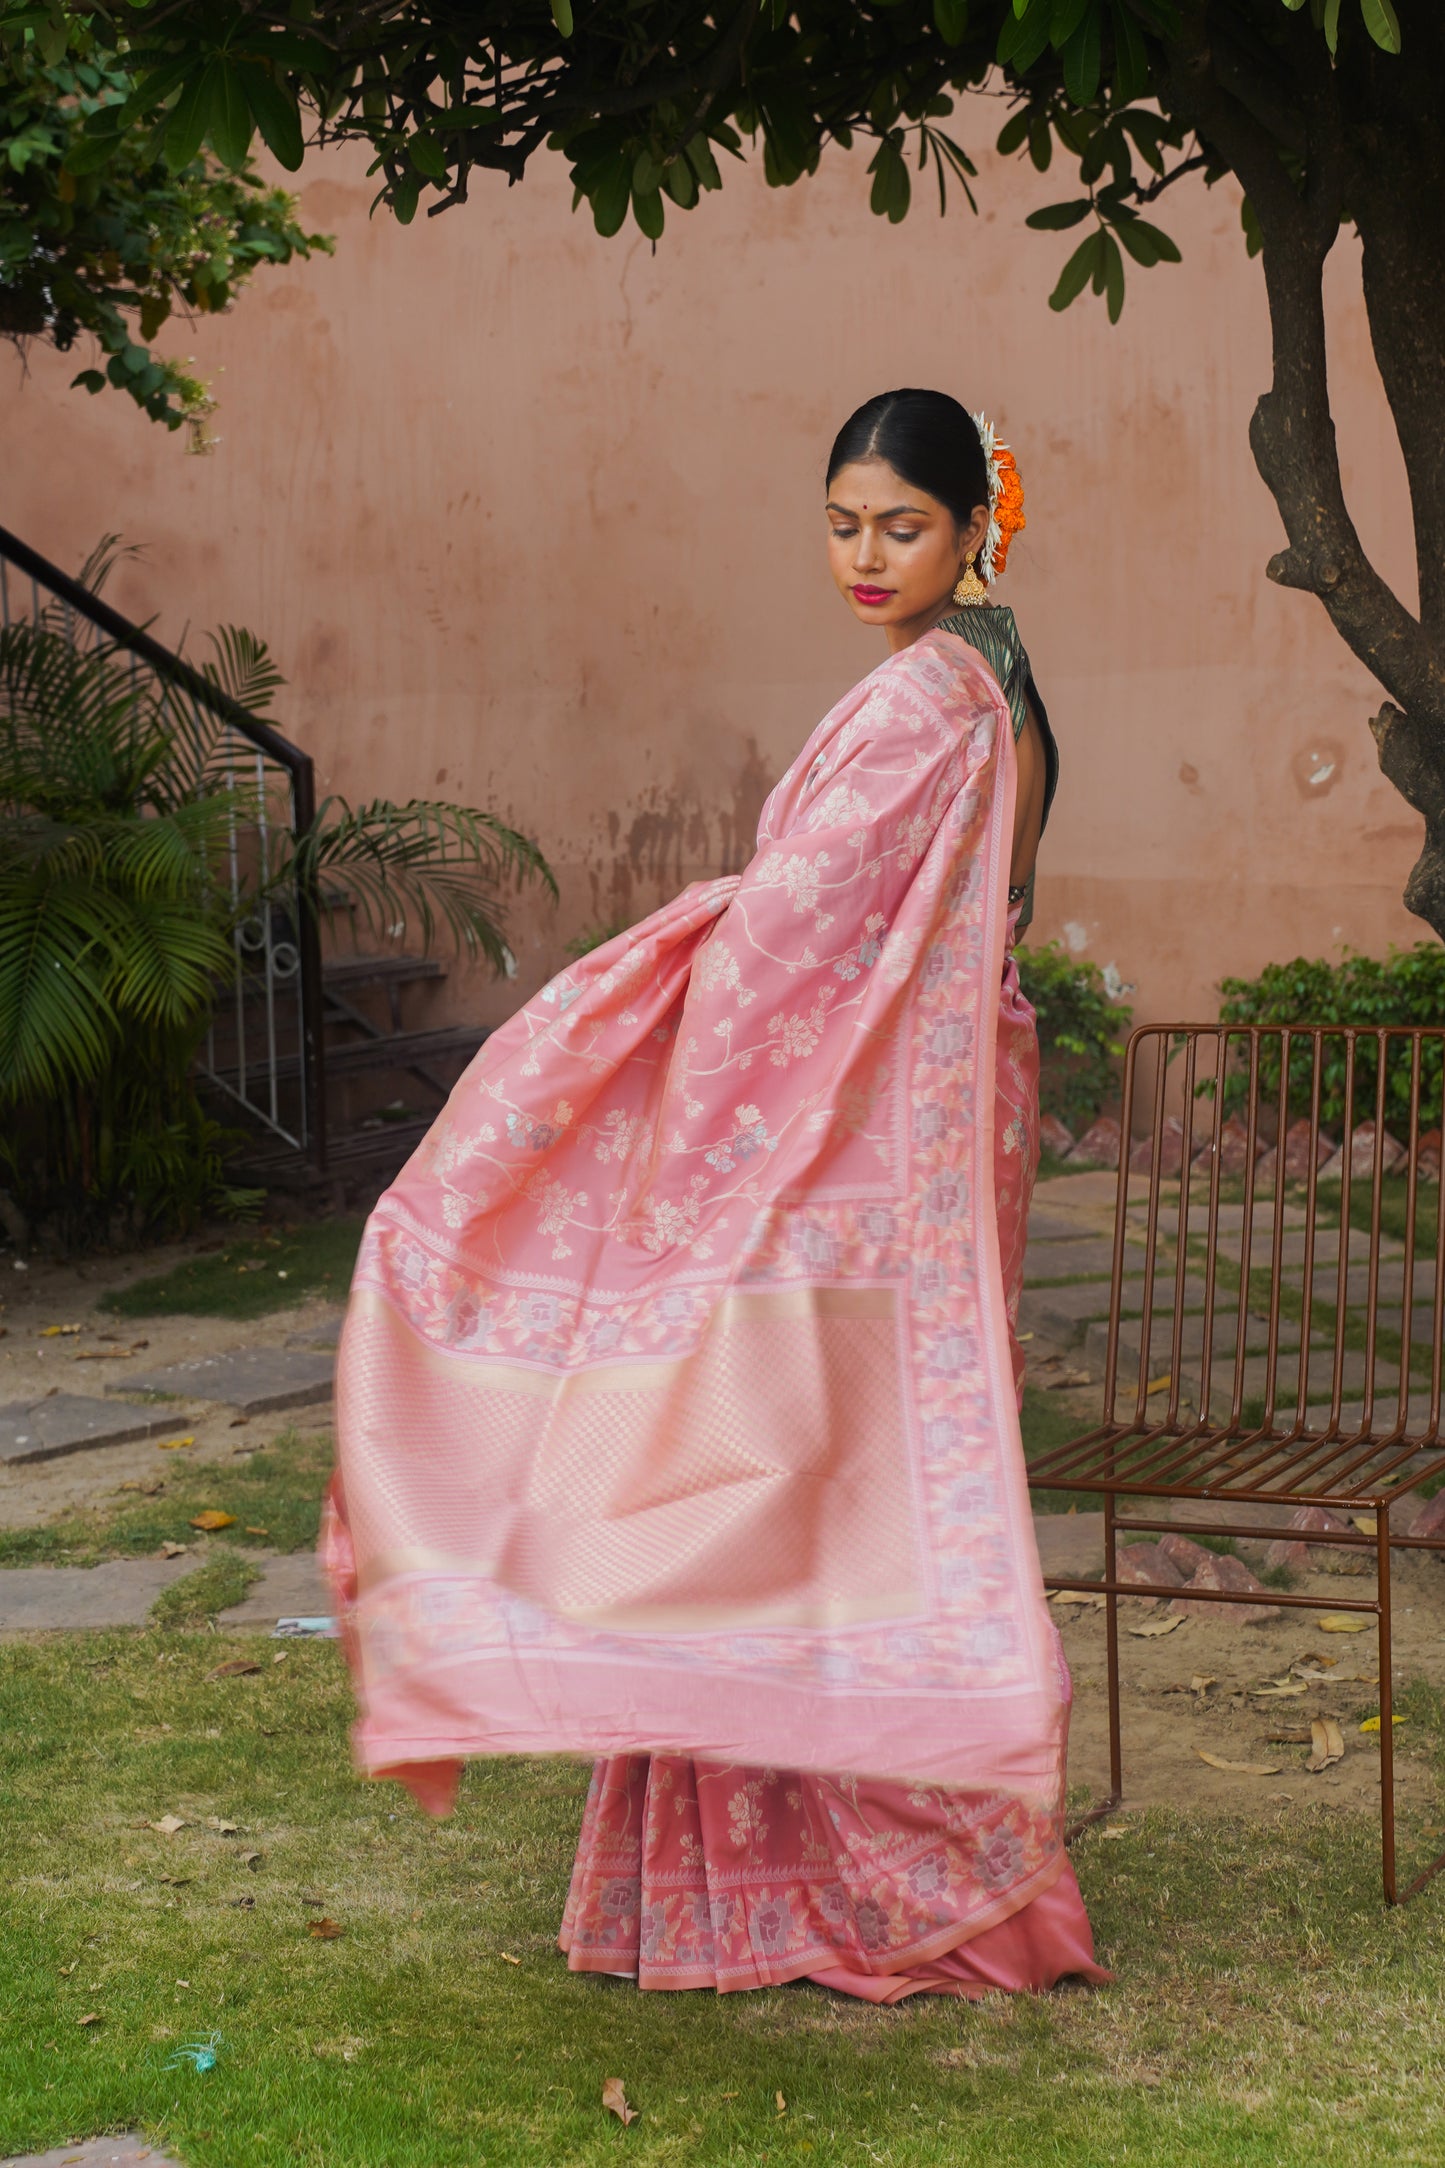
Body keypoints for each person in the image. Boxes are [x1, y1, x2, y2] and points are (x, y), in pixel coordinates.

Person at [325, 388, 1107, 2002]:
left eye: (901, 526)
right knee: (824, 1494)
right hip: (933, 1128)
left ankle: (895, 1880)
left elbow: (794, 943)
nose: (866, 557)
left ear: (976, 530)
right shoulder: (998, 694)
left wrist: (648, 968)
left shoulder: (923, 706)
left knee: (772, 1483)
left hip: (859, 1146)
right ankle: (800, 1873)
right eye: (840, 525)